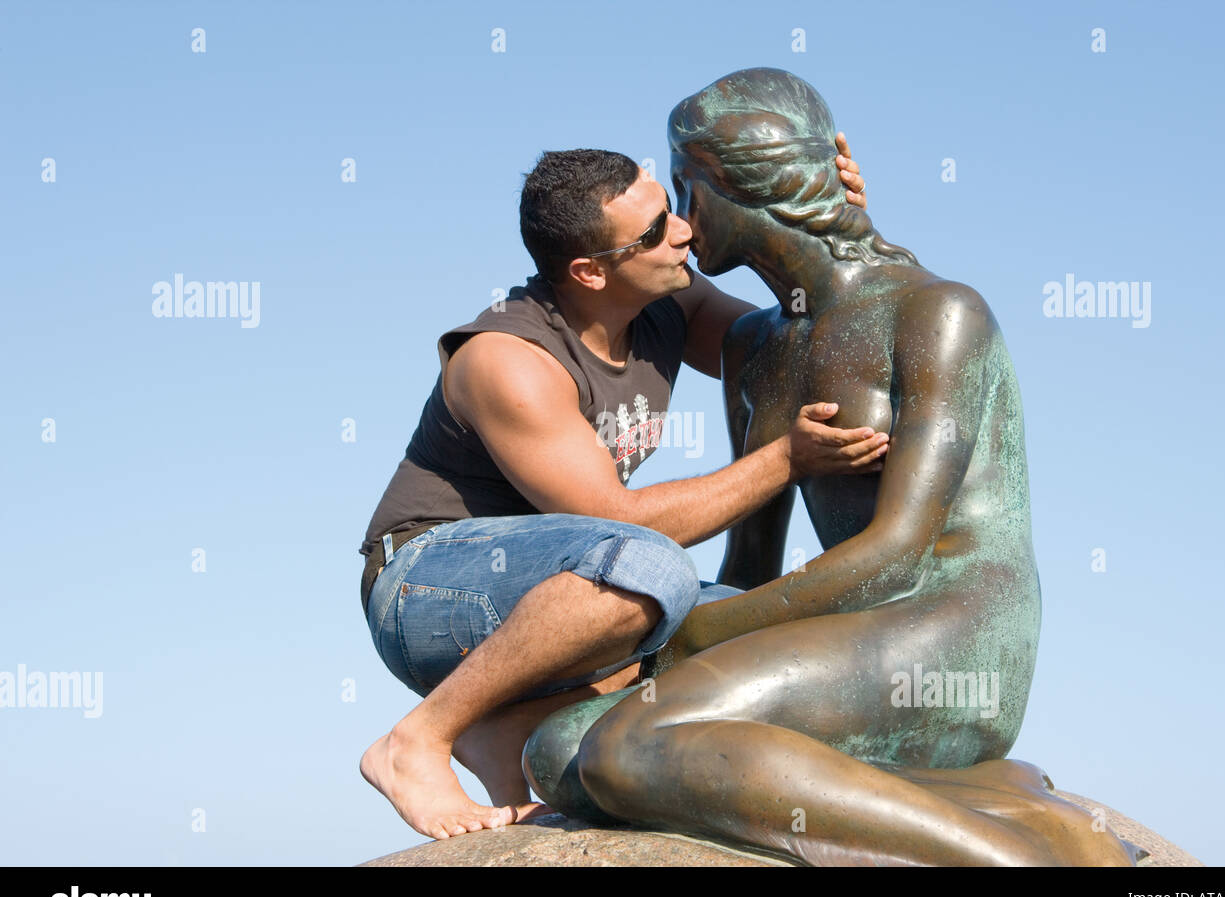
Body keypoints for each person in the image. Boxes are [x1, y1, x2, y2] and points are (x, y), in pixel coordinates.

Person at [522, 68, 1138, 866]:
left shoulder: (936, 312)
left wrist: (691, 631)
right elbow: (750, 565)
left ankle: (1021, 855)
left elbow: (897, 552)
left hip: (948, 630)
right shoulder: (754, 347)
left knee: (628, 749)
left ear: (751, 184)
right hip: (845, 632)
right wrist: (675, 641)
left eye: (686, 186)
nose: (679, 220)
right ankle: (983, 792)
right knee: (559, 753)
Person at [356, 134, 883, 840]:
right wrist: (786, 460)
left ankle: (500, 727)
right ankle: (419, 739)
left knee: (746, 625)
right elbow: (615, 518)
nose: (684, 234)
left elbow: (790, 340)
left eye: (670, 211)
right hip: (427, 584)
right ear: (590, 271)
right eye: (655, 232)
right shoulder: (509, 361)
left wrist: (833, 224)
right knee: (651, 566)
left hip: (574, 579)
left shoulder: (668, 303)